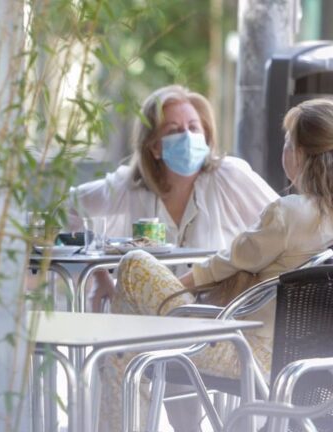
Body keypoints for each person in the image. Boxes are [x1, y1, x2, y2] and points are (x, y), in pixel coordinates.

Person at [101, 98, 333, 431]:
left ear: (300, 154)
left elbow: (229, 261)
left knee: (135, 266)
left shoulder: (289, 213)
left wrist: (175, 287)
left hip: (242, 351)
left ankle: (117, 411)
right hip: (303, 358)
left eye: (287, 143)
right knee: (125, 345)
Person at [70, 84, 278, 311]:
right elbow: (70, 207)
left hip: (218, 317)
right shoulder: (128, 187)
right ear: (154, 147)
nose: (187, 136)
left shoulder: (230, 177)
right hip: (148, 319)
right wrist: (100, 278)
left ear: (206, 137)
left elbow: (283, 223)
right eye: (173, 130)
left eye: (193, 127)